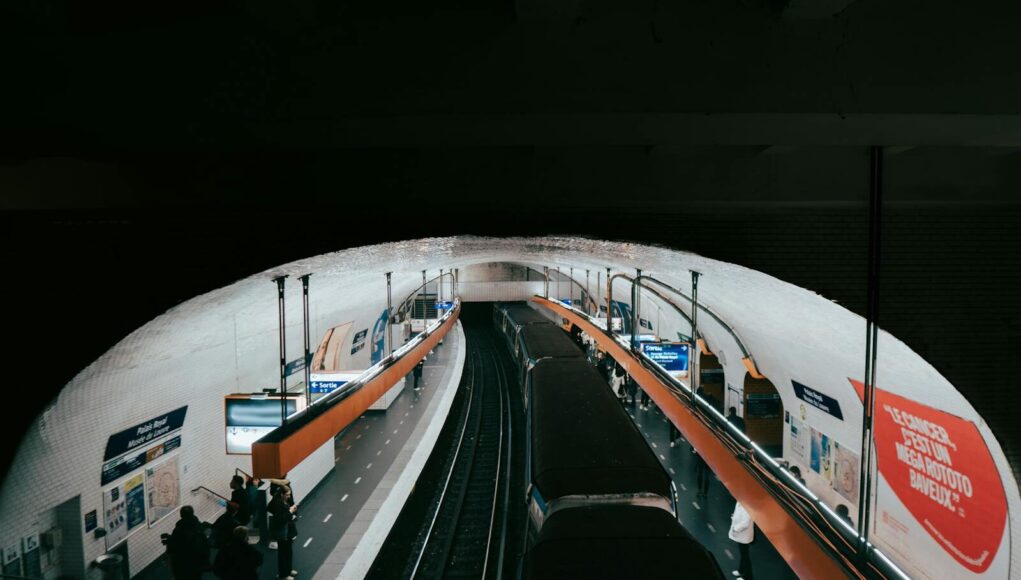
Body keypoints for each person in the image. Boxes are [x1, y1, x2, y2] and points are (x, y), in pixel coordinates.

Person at [167, 505, 209, 580]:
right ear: (193, 513)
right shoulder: (200, 527)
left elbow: (173, 549)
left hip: (182, 565)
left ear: (181, 515)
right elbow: (205, 546)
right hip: (197, 564)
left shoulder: (178, 531)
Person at [267, 486, 298, 580]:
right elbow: (282, 518)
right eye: (287, 495)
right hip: (282, 531)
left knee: (288, 551)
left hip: (287, 531)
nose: (289, 497)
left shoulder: (282, 501)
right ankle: (283, 574)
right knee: (283, 553)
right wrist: (290, 511)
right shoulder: (278, 503)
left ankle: (289, 570)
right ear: (282, 494)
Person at [729, 501, 754, 579]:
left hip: (743, 535)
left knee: (745, 555)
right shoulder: (740, 502)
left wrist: (735, 529)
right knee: (743, 553)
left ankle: (748, 577)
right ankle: (741, 570)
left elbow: (745, 523)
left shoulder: (746, 506)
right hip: (741, 535)